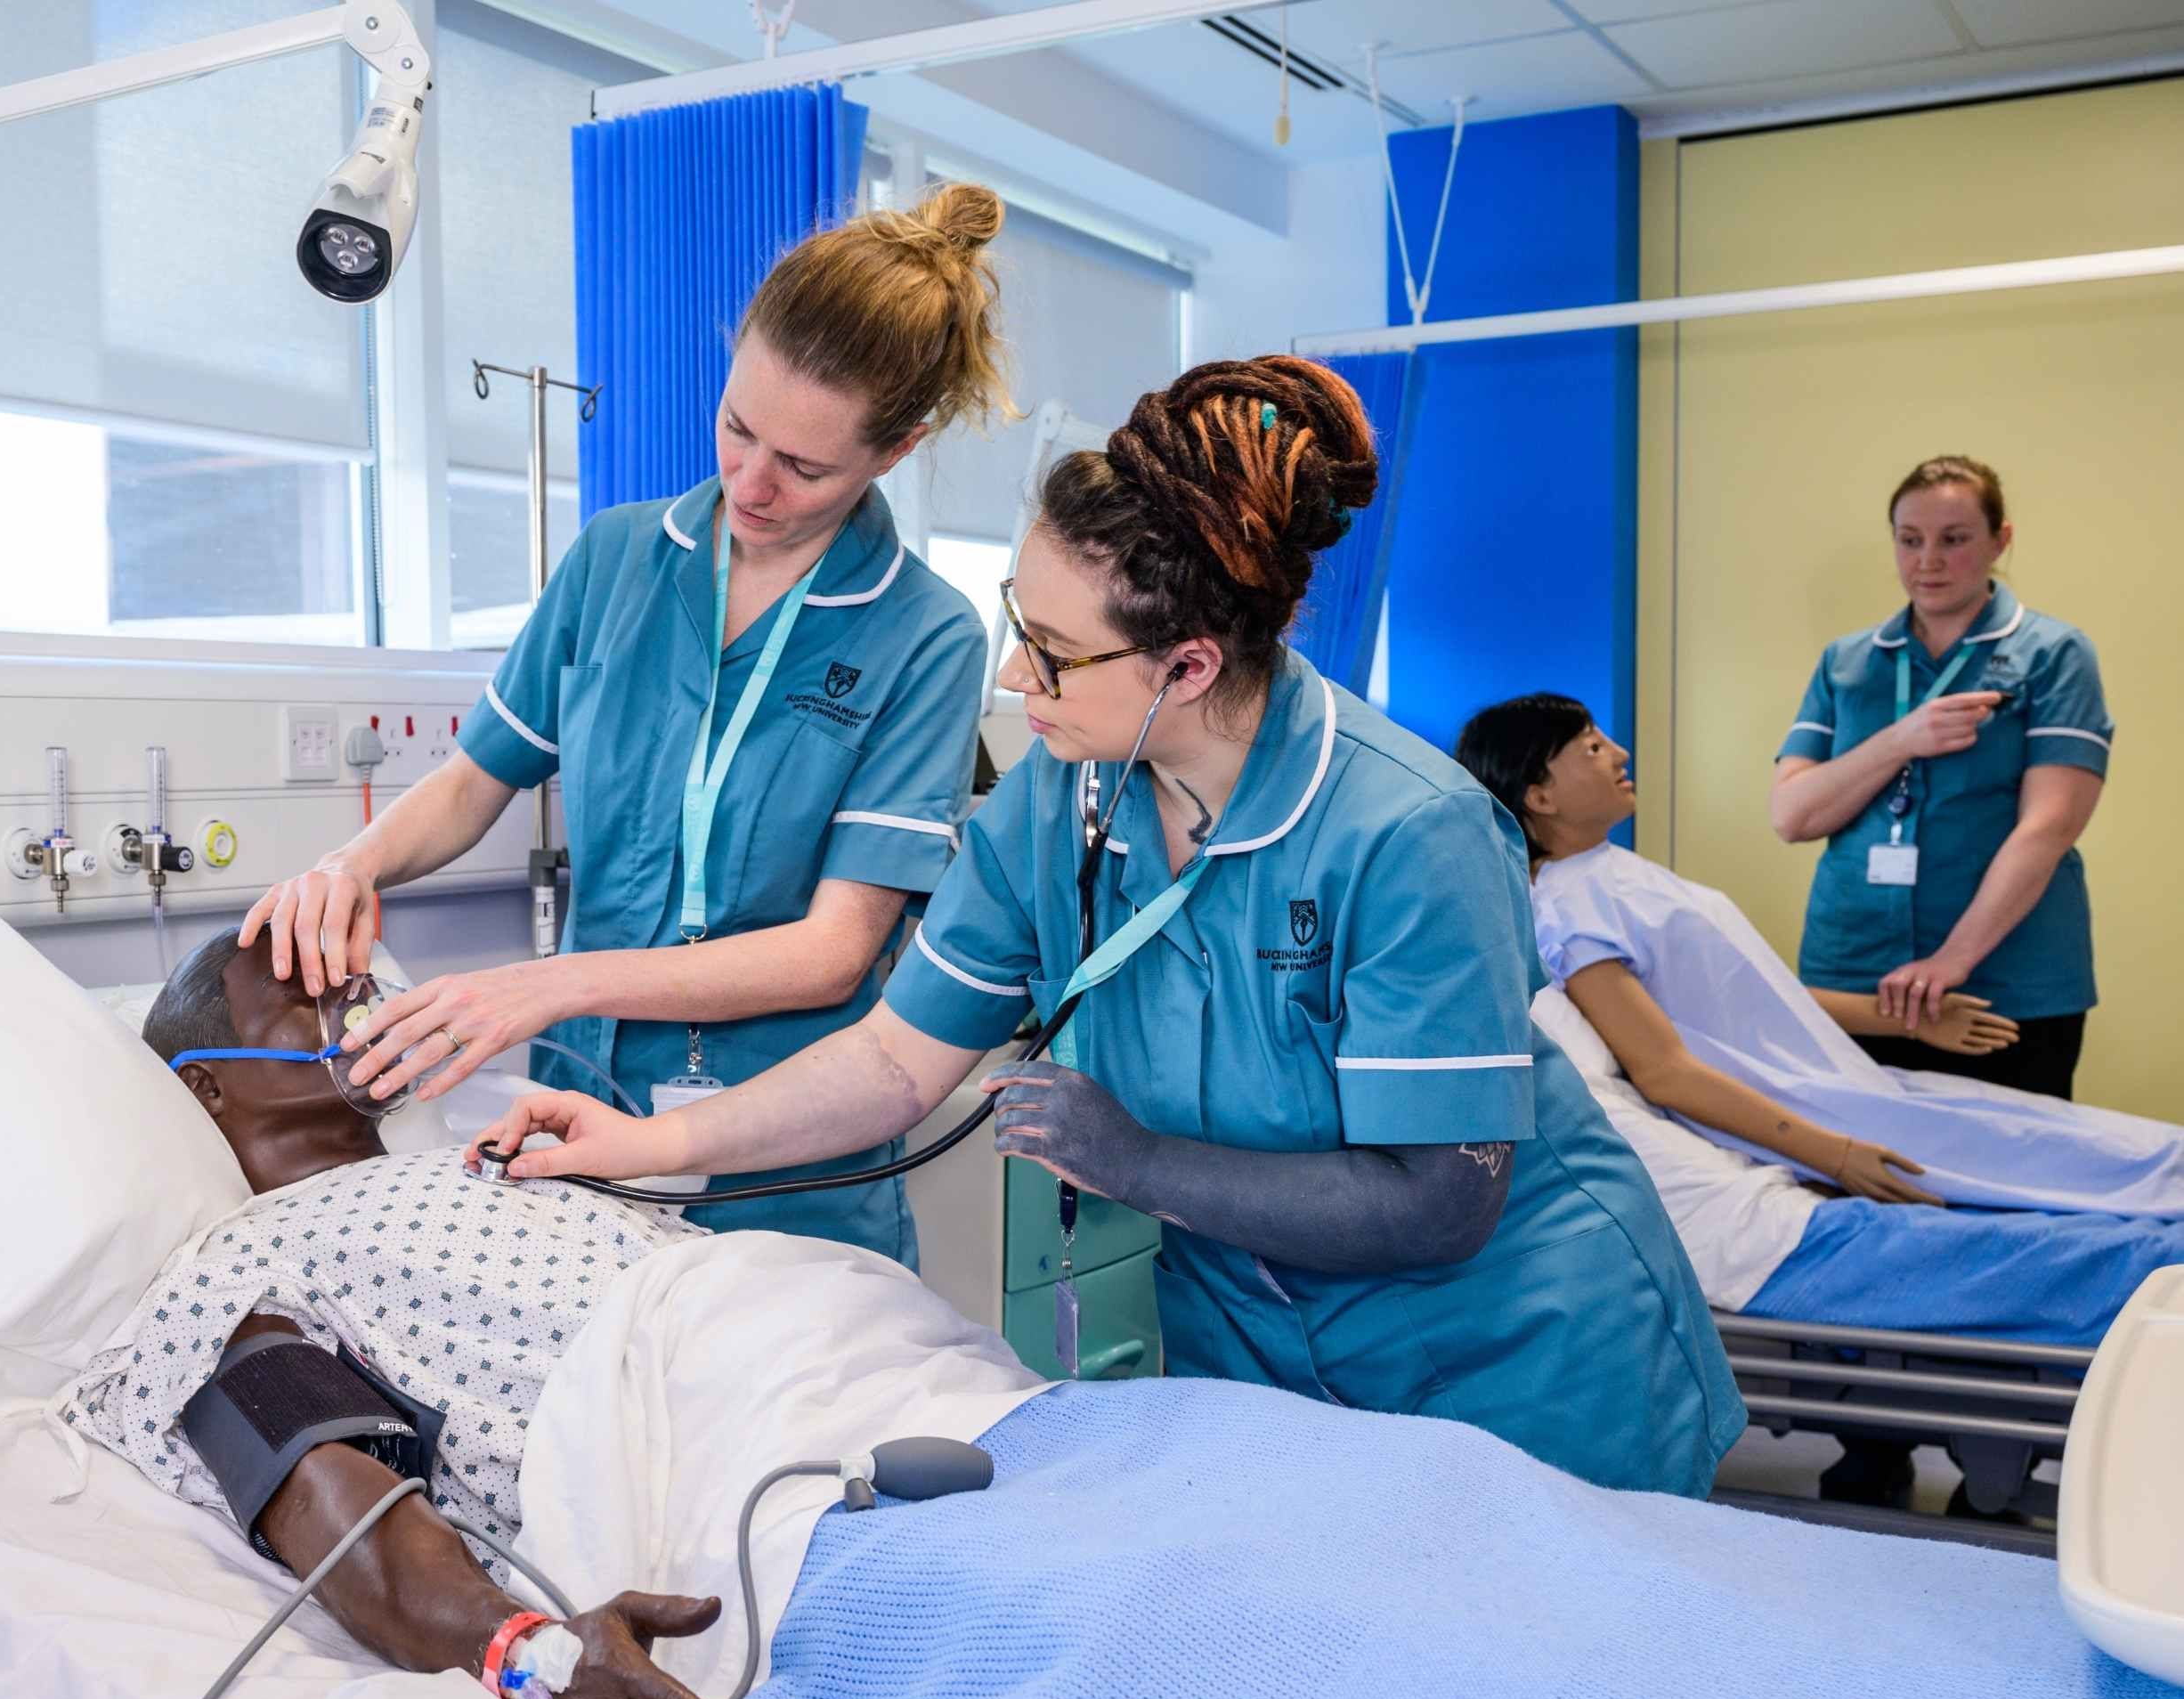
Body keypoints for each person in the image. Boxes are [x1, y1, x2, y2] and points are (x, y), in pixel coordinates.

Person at [467, 356, 1744, 1500]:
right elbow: (892, 1061)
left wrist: (1137, 1162)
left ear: (1186, 666)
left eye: (1053, 654)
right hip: (1261, 1368)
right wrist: (652, 1140)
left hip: (1516, 1364)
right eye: (1019, 628)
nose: (1016, 681)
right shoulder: (1051, 799)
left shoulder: (1410, 832)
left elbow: (1441, 1206)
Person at [239, 186, 1015, 1266]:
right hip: (577, 1132)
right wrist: (349, 864)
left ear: (894, 451)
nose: (751, 481)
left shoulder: (924, 634)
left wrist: (549, 981)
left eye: (804, 466)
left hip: (782, 1168)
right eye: (738, 427)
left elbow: (833, 954)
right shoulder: (616, 559)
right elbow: (475, 780)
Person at [62, 926, 769, 1699]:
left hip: (800, 1340)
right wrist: (534, 1664)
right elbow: (335, 1502)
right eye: (296, 987)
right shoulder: (239, 1273)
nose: (353, 992)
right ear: (205, 1081)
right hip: (720, 1470)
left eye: (347, 972)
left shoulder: (507, 1150)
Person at [1457, 692, 2184, 1220]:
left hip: (1850, 1085)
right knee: (2106, 1170)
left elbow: (1748, 993)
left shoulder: (1620, 875)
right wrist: (1832, 1154)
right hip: (1811, 1107)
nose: (1617, 751)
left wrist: (1901, 1023)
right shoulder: (1570, 908)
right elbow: (1664, 1070)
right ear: (1538, 795)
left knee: (2088, 1140)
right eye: (1589, 746)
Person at [1770, 456, 2113, 1100]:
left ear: (1999, 540)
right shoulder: (1848, 662)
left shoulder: (2054, 654)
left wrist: (1952, 960)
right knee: (1857, 1169)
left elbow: (2051, 825)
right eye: (1909, 539)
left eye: (1954, 539)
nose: (1927, 559)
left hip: (2003, 978)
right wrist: (1902, 739)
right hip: (1853, 972)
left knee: (2008, 1175)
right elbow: (1792, 815)